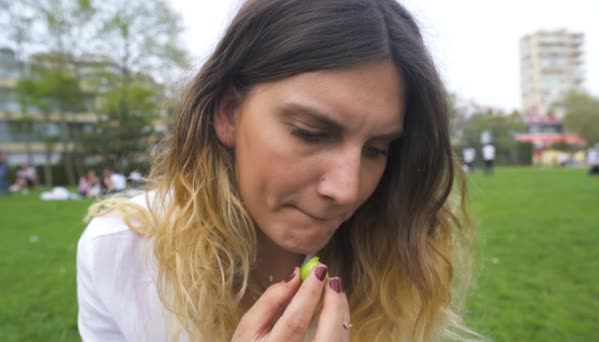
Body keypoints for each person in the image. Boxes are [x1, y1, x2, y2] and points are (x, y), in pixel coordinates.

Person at [77, 0, 477, 341]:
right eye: (310, 133)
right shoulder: (119, 255)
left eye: (376, 150)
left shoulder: (393, 260)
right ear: (228, 113)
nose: (348, 189)